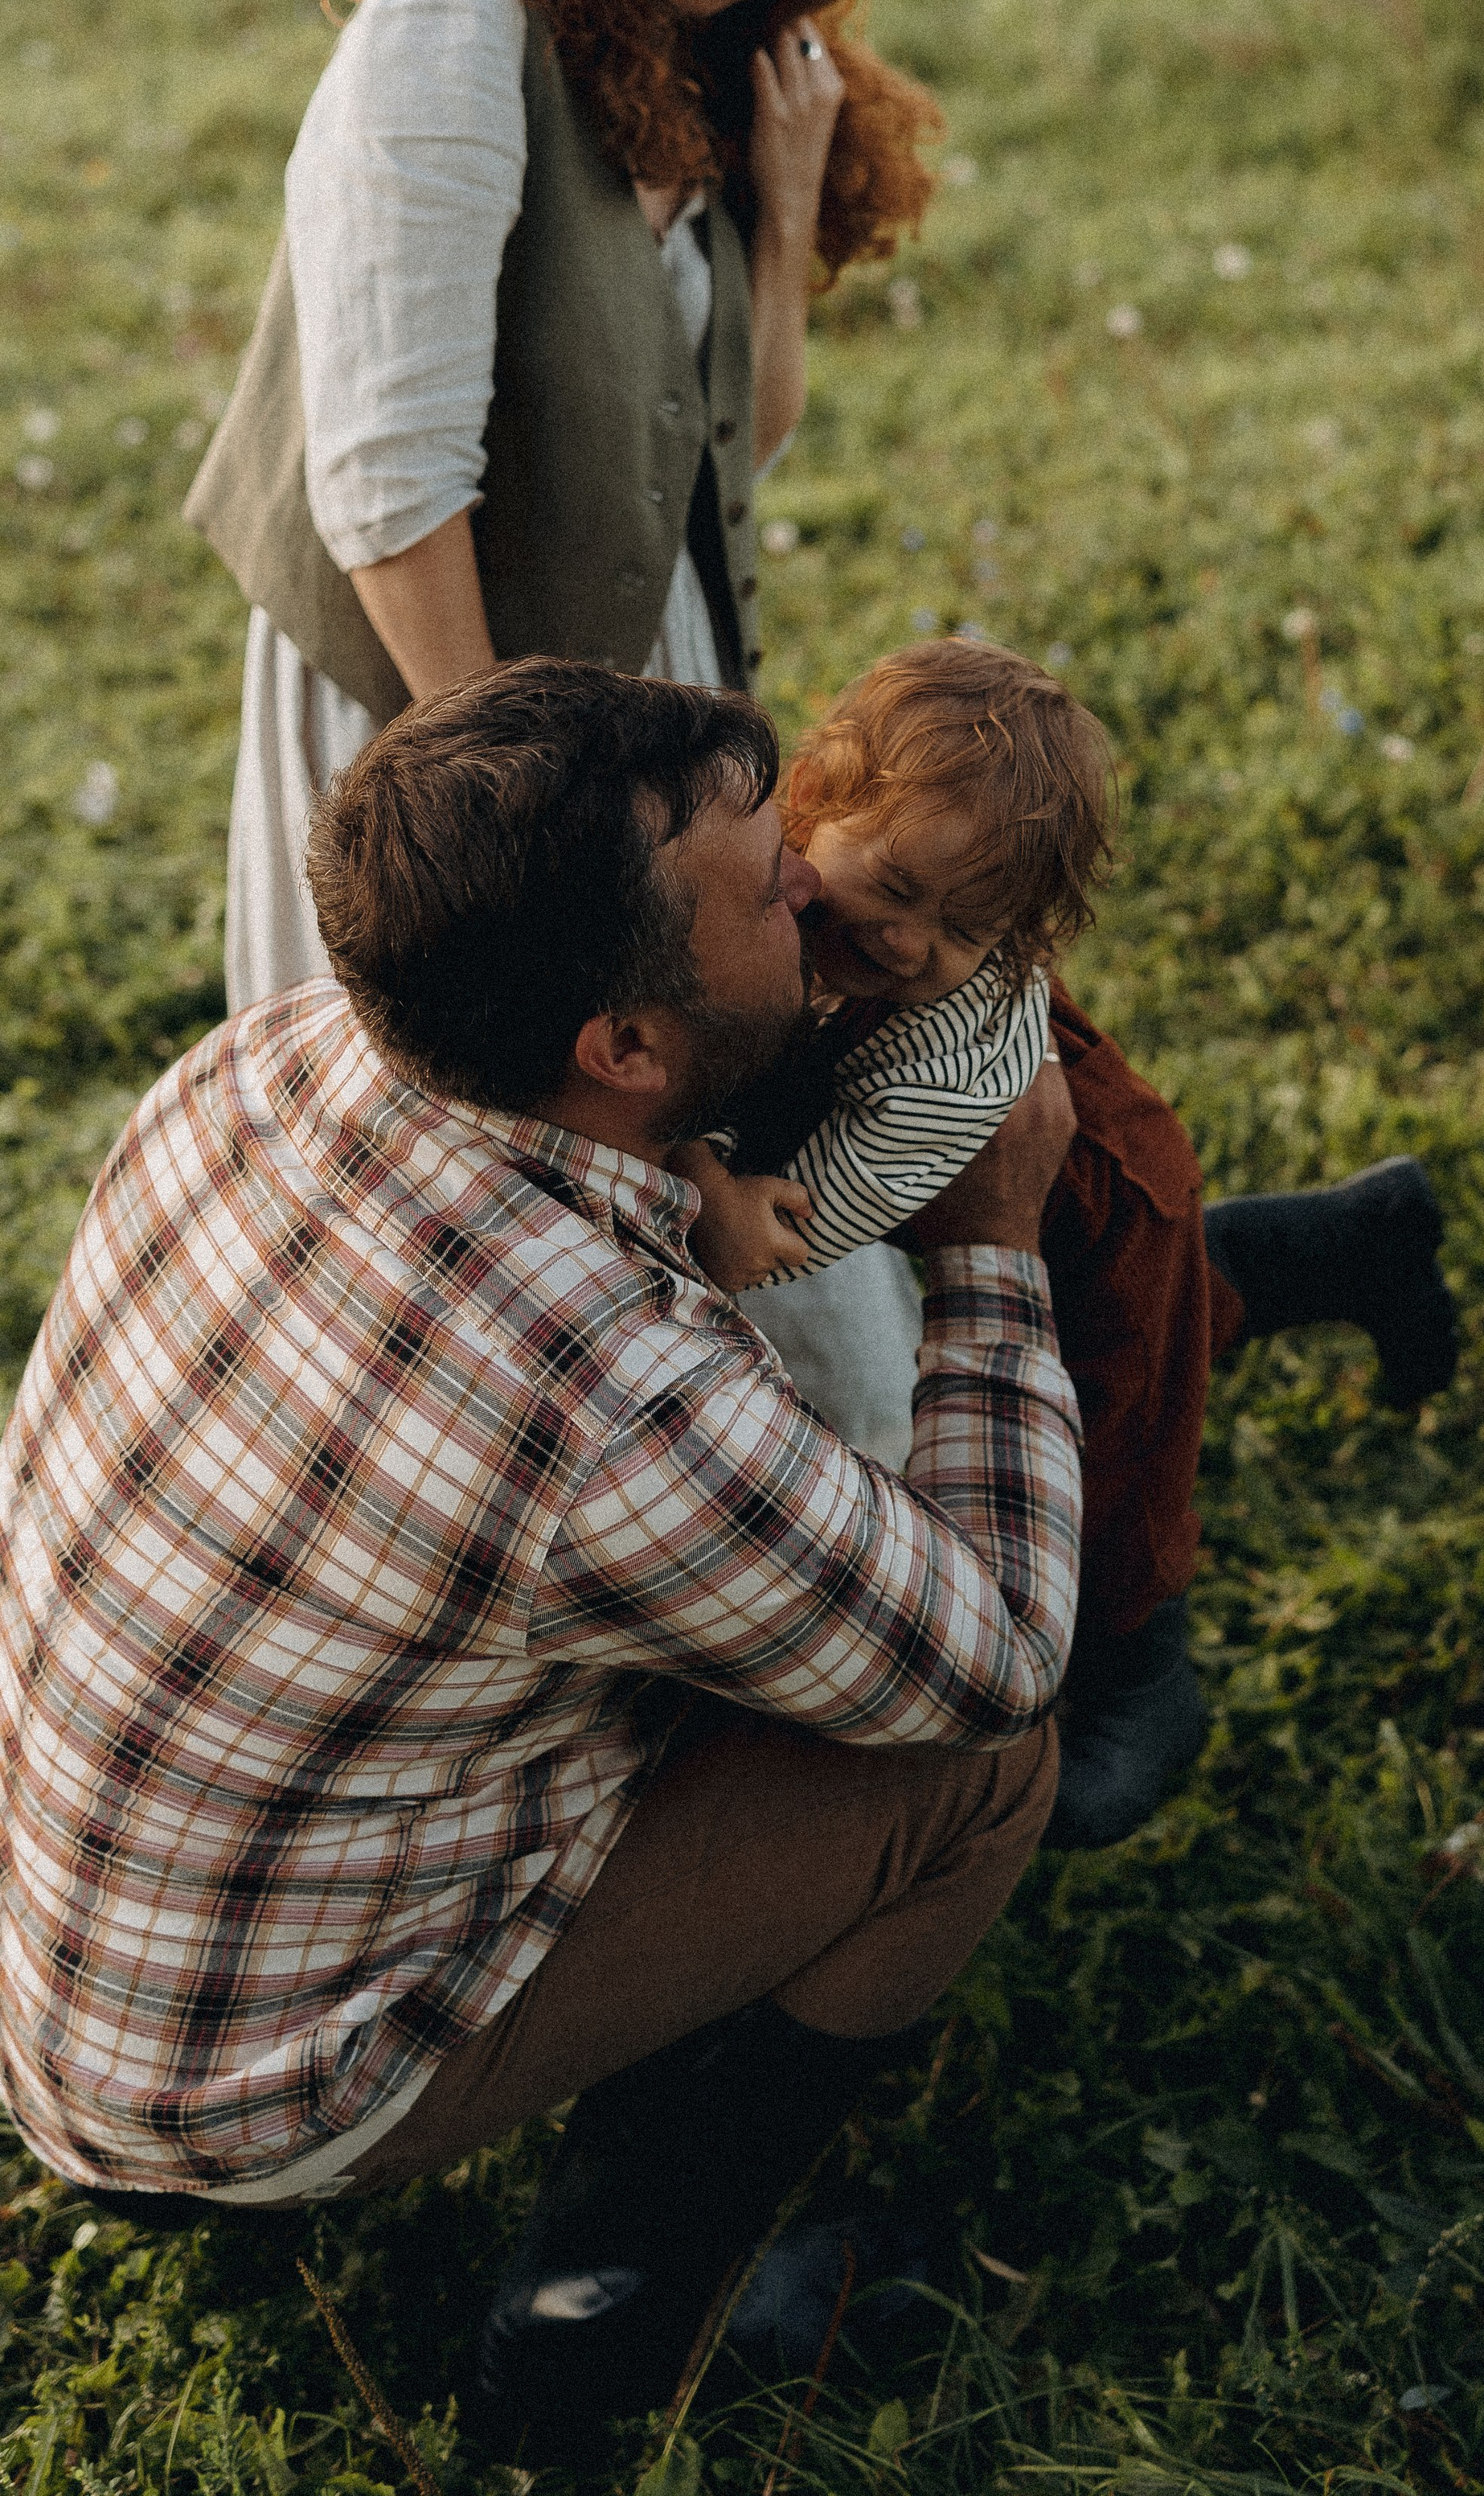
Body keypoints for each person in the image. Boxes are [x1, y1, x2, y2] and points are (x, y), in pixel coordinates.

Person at [0, 660, 1081, 2465]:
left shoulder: (261, 1060)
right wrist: (989, 1252)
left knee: (705, 1617)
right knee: (974, 1772)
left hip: (70, 1968)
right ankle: (599, 2325)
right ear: (628, 1051)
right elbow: (992, 1655)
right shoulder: (619, 1400)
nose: (812, 887)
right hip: (253, 2095)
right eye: (766, 887)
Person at [182, 0, 941, 1016]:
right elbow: (390, 489)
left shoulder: (700, 76)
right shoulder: (457, 23)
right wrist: (523, 831)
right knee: (448, 1159)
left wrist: (779, 215)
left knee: (652, 1163)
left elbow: (734, 447)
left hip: (620, 713)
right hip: (432, 720)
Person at [687, 640, 1460, 1852]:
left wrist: (704, 1186)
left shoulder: (943, 1075)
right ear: (816, 800)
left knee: (1122, 1408)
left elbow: (790, 1237)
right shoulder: (778, 867)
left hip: (1088, 1190)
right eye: (889, 882)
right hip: (1087, 1180)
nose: (900, 938)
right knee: (1170, 1309)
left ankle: (1147, 1670)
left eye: (958, 929)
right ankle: (1362, 1239)